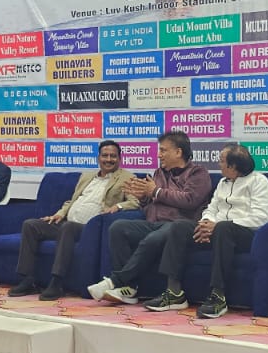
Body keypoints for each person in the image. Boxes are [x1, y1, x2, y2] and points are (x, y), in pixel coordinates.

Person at [143, 143, 268, 319]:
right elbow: (211, 209)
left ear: (233, 166)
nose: (218, 165)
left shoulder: (259, 182)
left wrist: (217, 226)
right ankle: (173, 292)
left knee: (224, 228)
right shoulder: (222, 183)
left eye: (221, 161)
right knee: (180, 226)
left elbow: (261, 218)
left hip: (249, 234)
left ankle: (218, 296)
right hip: (218, 231)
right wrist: (205, 224)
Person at [89, 131, 213, 305]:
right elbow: (151, 203)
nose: (159, 155)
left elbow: (190, 200)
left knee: (152, 239)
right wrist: (143, 197)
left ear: (178, 152)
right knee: (118, 227)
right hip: (153, 223)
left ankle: (116, 281)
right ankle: (129, 289)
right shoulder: (159, 173)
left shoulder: (198, 173)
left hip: (180, 226)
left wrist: (156, 191)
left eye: (163, 150)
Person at [10, 139, 139, 300]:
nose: (108, 159)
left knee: (68, 227)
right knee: (30, 225)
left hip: (89, 228)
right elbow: (72, 201)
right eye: (105, 155)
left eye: (113, 156)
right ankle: (27, 279)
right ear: (98, 158)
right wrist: (59, 214)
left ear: (120, 158)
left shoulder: (127, 177)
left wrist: (118, 207)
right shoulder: (87, 176)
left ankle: (57, 282)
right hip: (67, 223)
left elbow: (135, 202)